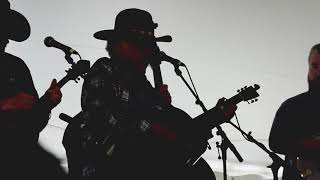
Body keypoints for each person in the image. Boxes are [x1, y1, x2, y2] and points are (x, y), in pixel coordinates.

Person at [78, 8, 237, 180]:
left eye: (146, 45)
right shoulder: (104, 70)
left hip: (148, 168)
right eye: (137, 43)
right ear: (117, 45)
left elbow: (177, 131)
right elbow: (106, 120)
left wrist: (214, 117)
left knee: (202, 173)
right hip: (110, 170)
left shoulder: (145, 87)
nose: (144, 50)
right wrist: (159, 128)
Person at [0, 1, 66, 179]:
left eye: (6, 32)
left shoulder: (16, 66)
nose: (5, 39)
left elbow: (32, 123)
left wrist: (46, 104)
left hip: (19, 162)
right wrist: (6, 104)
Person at [269, 44, 320, 179]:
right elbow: (275, 143)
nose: (319, 73)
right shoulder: (291, 106)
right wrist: (308, 144)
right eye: (315, 67)